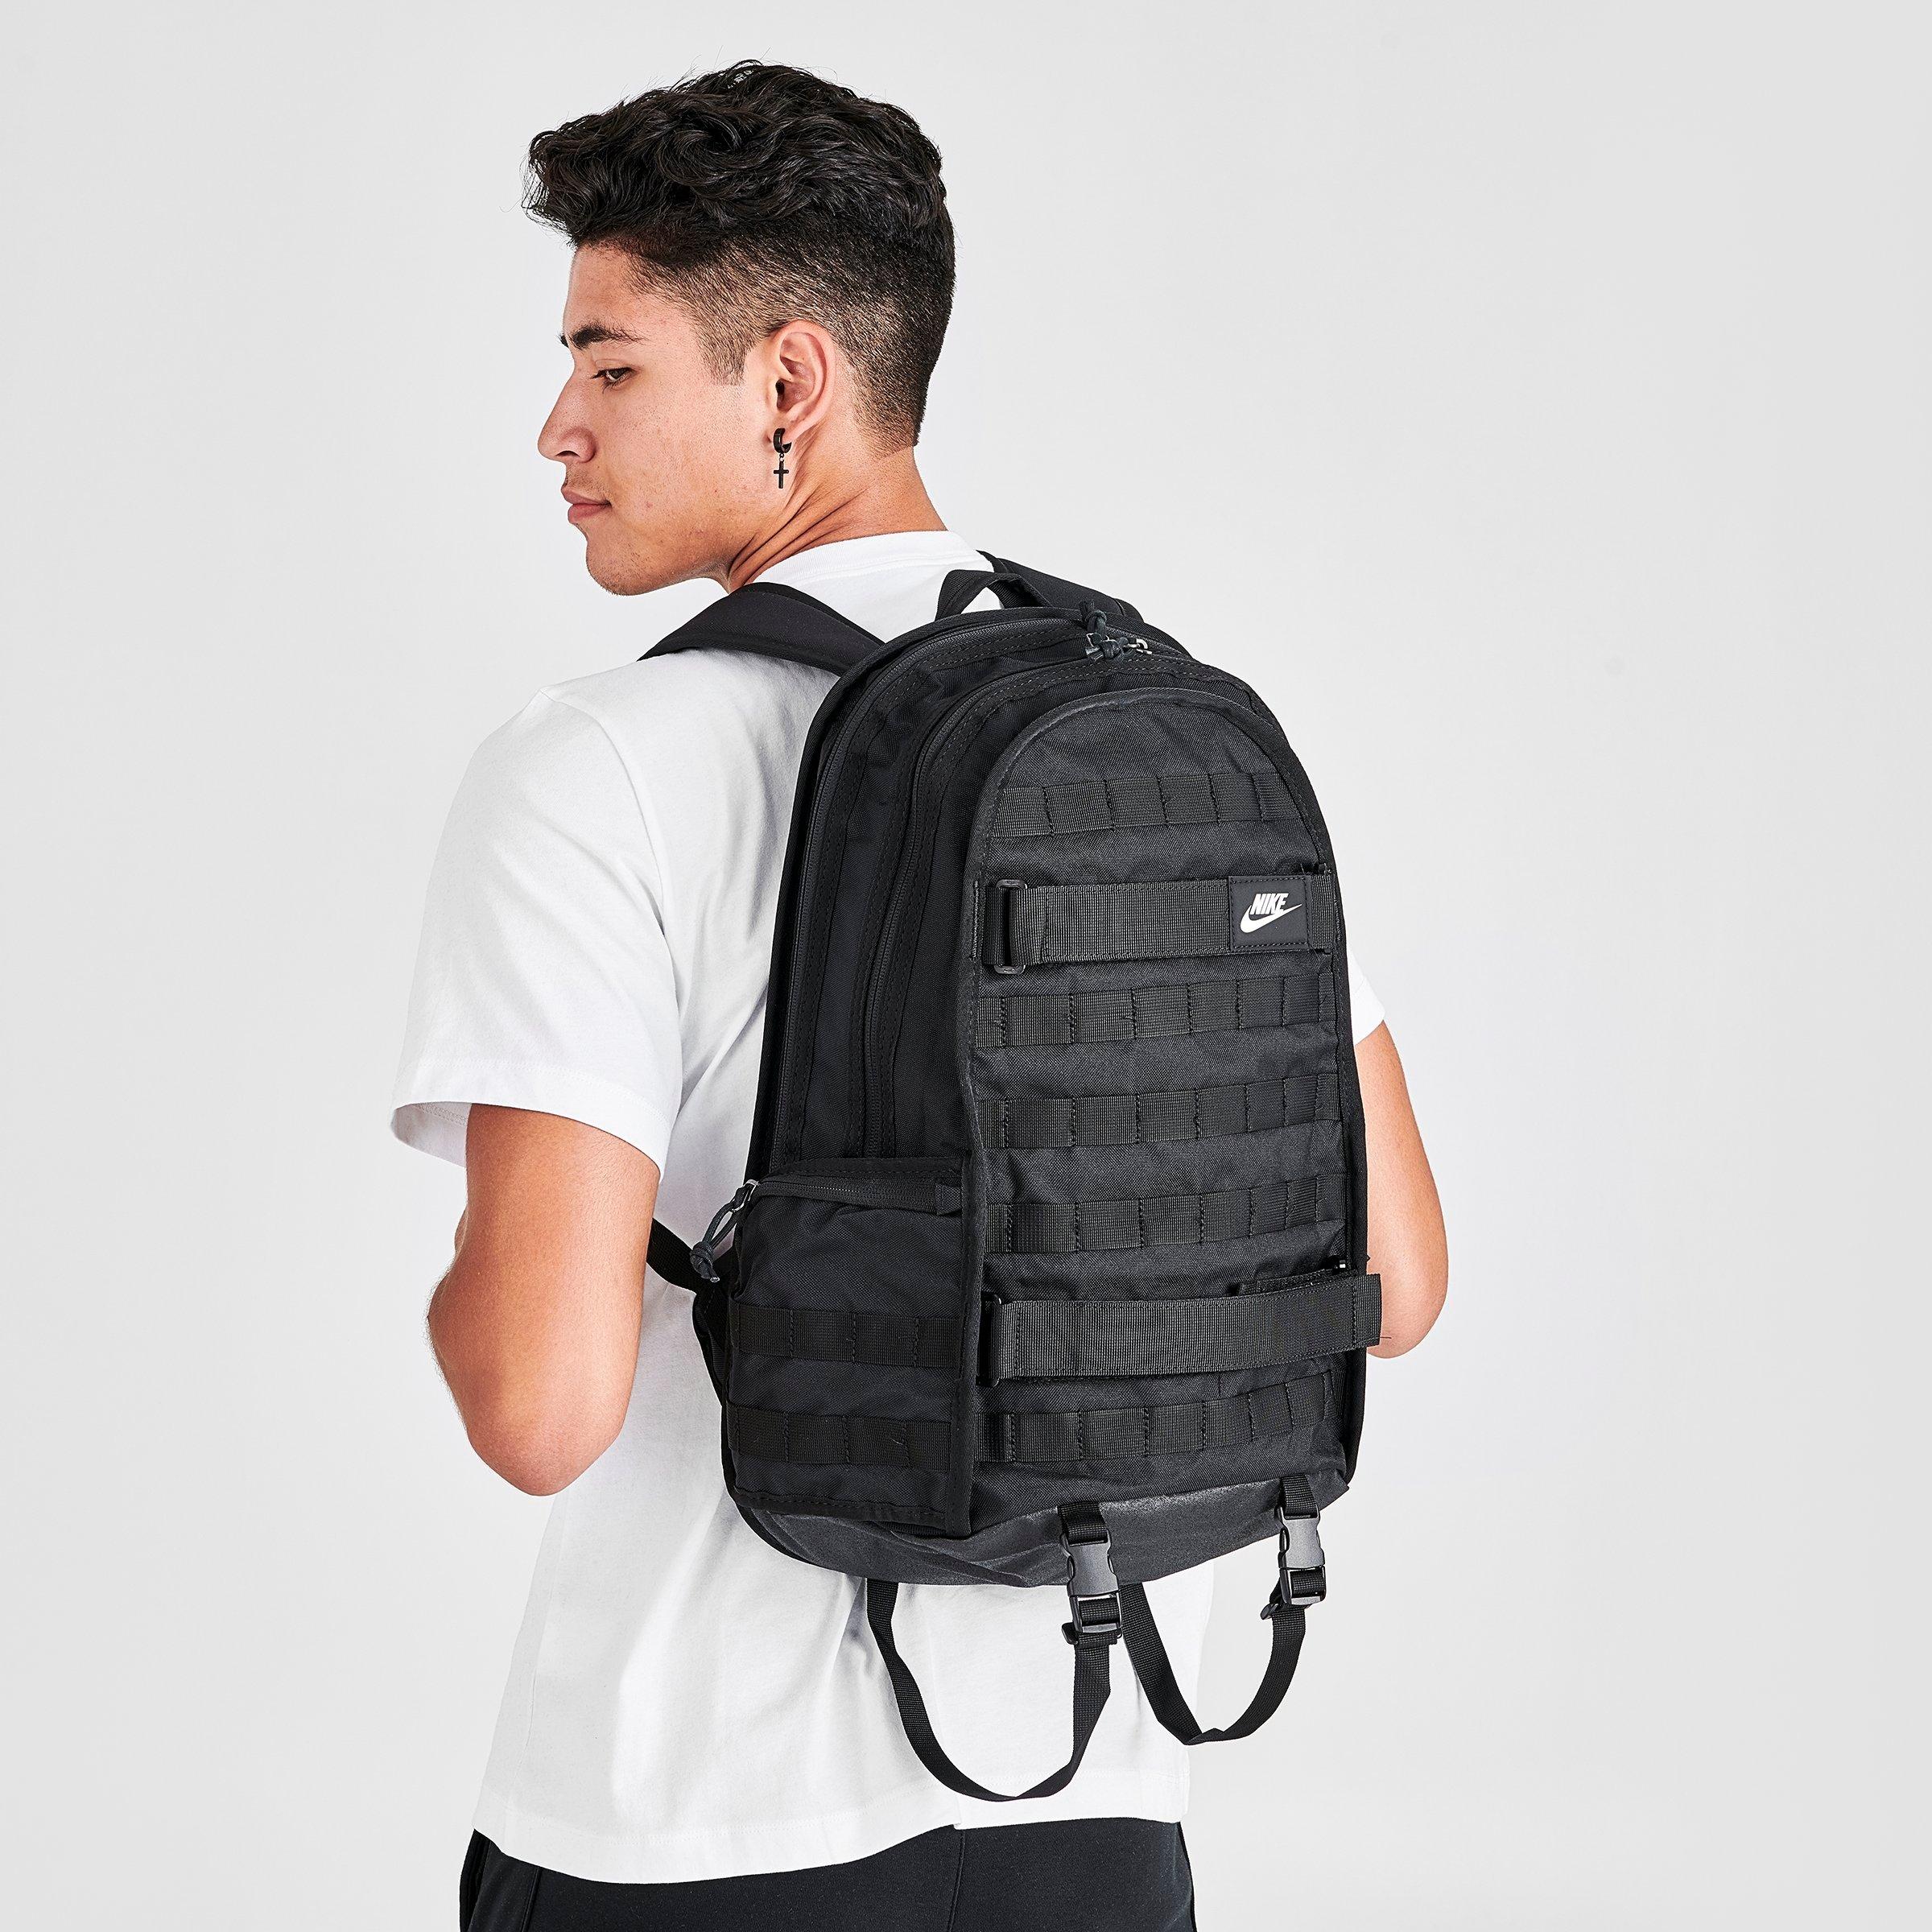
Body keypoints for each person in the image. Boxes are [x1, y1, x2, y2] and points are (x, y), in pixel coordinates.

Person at [392, 60, 1449, 1932]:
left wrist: (482, 1272)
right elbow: (1403, 1284)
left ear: (788, 383)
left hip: (693, 1834)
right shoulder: (1163, 734)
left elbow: (537, 1405)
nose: (557, 427)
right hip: (1096, 1802)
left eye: (609, 363)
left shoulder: (598, 763)